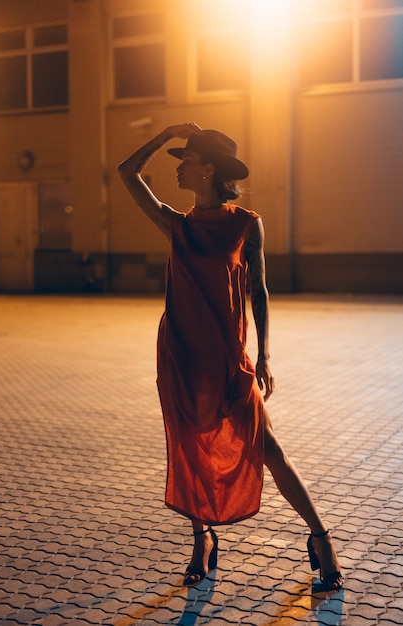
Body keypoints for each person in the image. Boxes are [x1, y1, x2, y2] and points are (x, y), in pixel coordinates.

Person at [117, 122, 343, 591]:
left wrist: (263, 354)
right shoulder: (176, 224)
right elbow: (126, 171)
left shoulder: (245, 223)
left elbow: (258, 289)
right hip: (181, 354)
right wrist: (163, 135)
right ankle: (202, 541)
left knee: (271, 451)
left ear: (208, 170)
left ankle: (322, 539)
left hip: (226, 357)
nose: (178, 169)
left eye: (185, 161)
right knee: (188, 448)